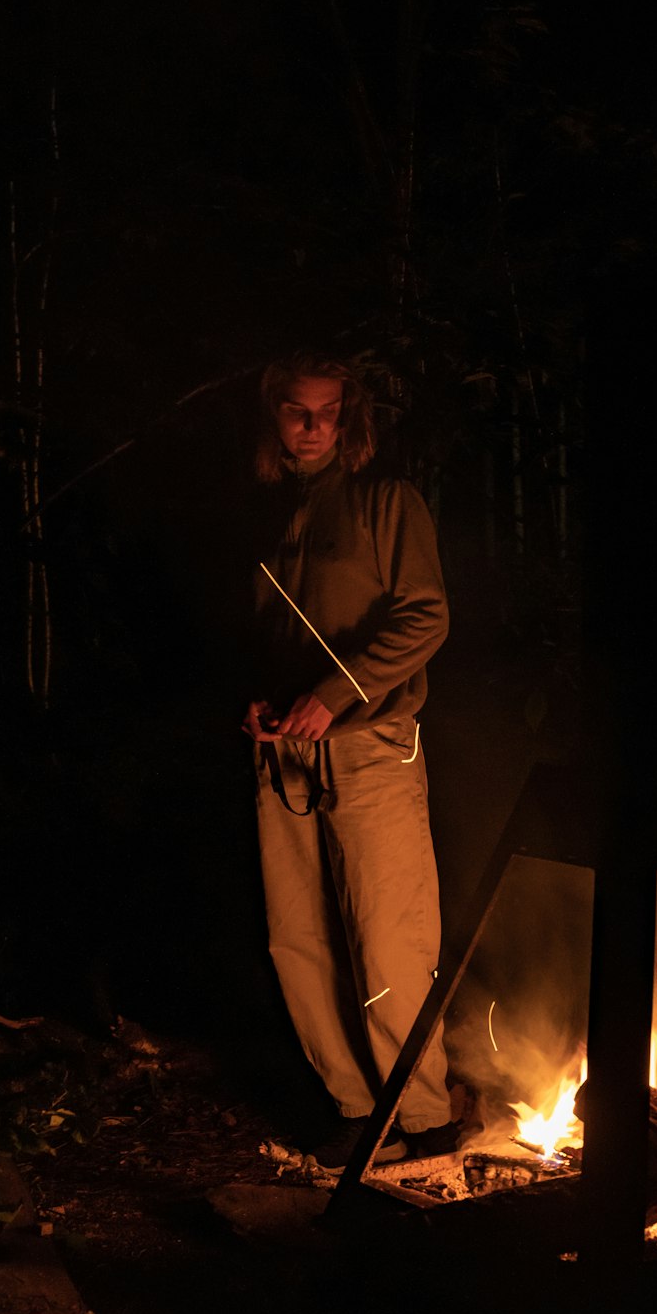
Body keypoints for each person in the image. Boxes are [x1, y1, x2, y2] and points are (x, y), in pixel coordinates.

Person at [241, 352, 457, 1172]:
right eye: (298, 410)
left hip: (369, 750)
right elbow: (265, 632)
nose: (311, 426)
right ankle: (357, 1110)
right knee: (298, 937)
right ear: (275, 413)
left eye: (327, 412)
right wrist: (259, 698)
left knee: (390, 938)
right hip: (283, 757)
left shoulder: (383, 502)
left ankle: (426, 1117)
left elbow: (426, 617)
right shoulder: (268, 513)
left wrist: (338, 693)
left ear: (350, 418)